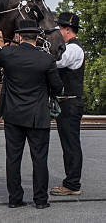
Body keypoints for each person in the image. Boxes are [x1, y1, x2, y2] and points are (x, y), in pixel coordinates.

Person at [0, 19, 63, 209]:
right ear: (37, 37)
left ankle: (15, 199)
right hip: (38, 117)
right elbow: (57, 88)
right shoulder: (47, 59)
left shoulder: (8, 54)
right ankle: (40, 200)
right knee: (39, 159)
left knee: (13, 158)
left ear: (19, 36)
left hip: (13, 116)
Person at [50, 12, 85, 196]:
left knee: (71, 144)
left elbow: (57, 62)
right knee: (69, 143)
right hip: (67, 103)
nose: (58, 34)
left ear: (67, 30)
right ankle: (71, 181)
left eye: (60, 29)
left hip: (70, 103)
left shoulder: (73, 49)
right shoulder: (71, 47)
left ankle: (72, 183)